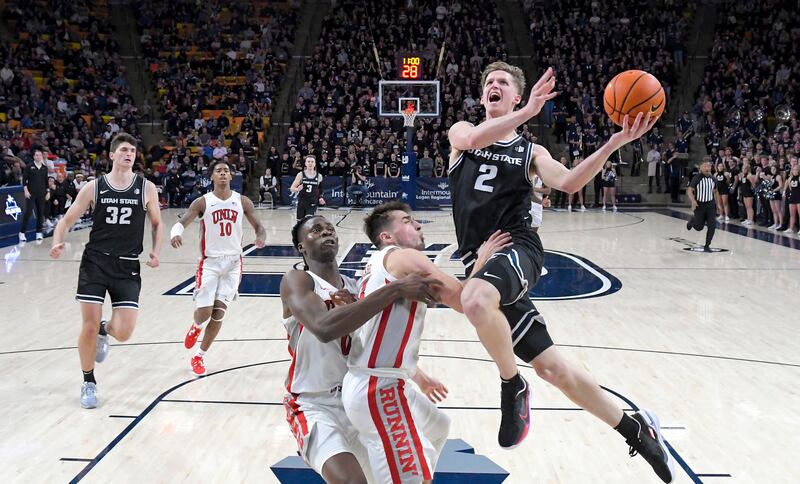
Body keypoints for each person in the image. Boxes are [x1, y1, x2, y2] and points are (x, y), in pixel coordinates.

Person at [447, 62, 674, 482]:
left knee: (475, 298)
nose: (494, 86)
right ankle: (636, 429)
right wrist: (528, 112)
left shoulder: (532, 153)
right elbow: (476, 137)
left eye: (503, 84)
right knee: (552, 368)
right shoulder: (461, 134)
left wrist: (613, 142)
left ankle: (512, 386)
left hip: (516, 248)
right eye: (489, 84)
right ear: (484, 98)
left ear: (516, 97)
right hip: (479, 262)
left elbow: (569, 182)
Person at [343, 202, 509, 484]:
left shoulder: (375, 263)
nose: (418, 225)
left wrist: (419, 377)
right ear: (387, 237)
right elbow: (462, 301)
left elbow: (377, 332)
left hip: (377, 380)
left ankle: (405, 468)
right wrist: (482, 261)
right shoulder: (404, 257)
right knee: (413, 476)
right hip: (378, 389)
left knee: (436, 427)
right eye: (408, 221)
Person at [280, 214, 443, 484]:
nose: (326, 232)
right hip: (314, 404)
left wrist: (420, 377)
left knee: (409, 467)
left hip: (358, 401)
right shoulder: (297, 280)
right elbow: (323, 327)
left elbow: (375, 346)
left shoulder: (358, 288)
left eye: (329, 228)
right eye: (316, 230)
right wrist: (395, 289)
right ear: (301, 248)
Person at [49, 133, 163, 409]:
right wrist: (57, 241)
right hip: (95, 262)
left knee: (123, 333)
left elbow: (158, 223)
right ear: (111, 155)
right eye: (124, 150)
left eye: (133, 151)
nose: (129, 154)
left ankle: (105, 329)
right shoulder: (94, 187)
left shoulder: (146, 188)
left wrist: (155, 251)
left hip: (127, 265)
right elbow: (65, 220)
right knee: (87, 326)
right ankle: (88, 380)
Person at [170, 159, 267, 376]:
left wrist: (261, 237)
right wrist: (175, 233)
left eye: (226, 170)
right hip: (210, 263)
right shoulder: (202, 202)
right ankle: (196, 327)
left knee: (219, 313)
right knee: (204, 313)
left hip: (233, 263)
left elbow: (259, 226)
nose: (223, 173)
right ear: (212, 177)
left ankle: (199, 356)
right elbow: (183, 221)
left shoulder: (242, 201)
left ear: (231, 176)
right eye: (218, 171)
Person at [686, 160, 719, 252]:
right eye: (705, 166)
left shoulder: (713, 179)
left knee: (712, 226)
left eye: (708, 166)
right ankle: (692, 221)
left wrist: (718, 205)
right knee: (699, 227)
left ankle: (707, 245)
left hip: (710, 205)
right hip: (699, 205)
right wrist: (693, 201)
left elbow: (716, 192)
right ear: (701, 168)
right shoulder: (697, 178)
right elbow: (689, 190)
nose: (707, 168)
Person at [19, 149, 49, 241]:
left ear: (42, 156)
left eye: (40, 155)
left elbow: (46, 181)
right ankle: (22, 233)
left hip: (42, 193)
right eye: (36, 155)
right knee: (28, 212)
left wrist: (48, 192)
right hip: (31, 193)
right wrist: (26, 191)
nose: (38, 157)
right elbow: (24, 180)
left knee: (40, 213)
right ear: (34, 156)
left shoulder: (44, 168)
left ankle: (38, 232)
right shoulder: (29, 167)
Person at [290, 155, 325, 221]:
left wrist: (321, 197)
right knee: (300, 224)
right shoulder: (300, 175)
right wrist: (297, 189)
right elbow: (292, 188)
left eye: (312, 162)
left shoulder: (319, 176)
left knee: (309, 221)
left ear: (315, 164)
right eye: (308, 161)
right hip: (302, 202)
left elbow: (321, 189)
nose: (310, 163)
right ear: (305, 163)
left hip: (312, 202)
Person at [784, 164, 800, 234]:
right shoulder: (790, 178)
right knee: (792, 214)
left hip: (799, 198)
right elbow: (790, 188)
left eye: (796, 169)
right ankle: (791, 228)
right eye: (793, 169)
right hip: (792, 197)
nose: (795, 171)